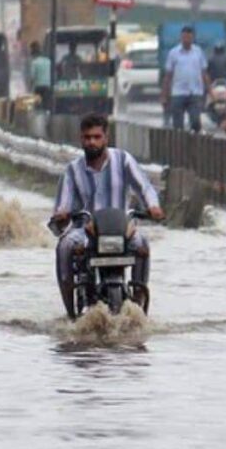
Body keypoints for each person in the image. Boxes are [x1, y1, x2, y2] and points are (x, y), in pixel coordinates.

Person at [50, 113, 166, 319]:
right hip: (85, 232)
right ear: (81, 139)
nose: (91, 142)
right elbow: (62, 207)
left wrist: (153, 206)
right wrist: (62, 215)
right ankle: (70, 312)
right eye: (87, 137)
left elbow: (145, 187)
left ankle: (138, 305)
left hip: (122, 229)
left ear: (106, 138)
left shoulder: (123, 160)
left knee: (142, 245)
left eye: (96, 137)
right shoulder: (72, 170)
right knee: (65, 246)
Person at [162, 26, 210, 132]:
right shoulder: (173, 53)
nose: (186, 40)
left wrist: (210, 91)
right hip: (178, 92)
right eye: (184, 37)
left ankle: (195, 145)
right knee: (178, 125)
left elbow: (204, 73)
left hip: (195, 92)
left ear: (193, 38)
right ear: (181, 37)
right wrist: (165, 95)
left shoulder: (198, 52)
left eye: (189, 37)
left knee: (195, 122)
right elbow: (168, 76)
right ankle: (179, 145)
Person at [27, 41, 52, 107]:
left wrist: (29, 89)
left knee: (38, 106)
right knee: (46, 106)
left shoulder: (34, 63)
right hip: (47, 87)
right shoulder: (48, 61)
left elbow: (32, 77)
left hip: (38, 88)